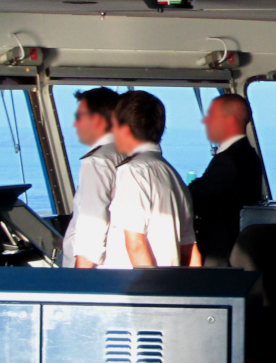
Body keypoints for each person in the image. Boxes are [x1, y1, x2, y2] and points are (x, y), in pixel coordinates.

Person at [102, 90, 196, 268]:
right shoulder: (173, 175)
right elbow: (189, 249)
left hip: (136, 288)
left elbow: (135, 243)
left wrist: (149, 292)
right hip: (169, 284)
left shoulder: (133, 172)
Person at [188, 93, 266, 267]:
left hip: (220, 253)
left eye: (212, 116)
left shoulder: (228, 160)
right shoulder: (249, 155)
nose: (205, 121)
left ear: (229, 121)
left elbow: (196, 196)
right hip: (235, 248)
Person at [61, 87, 124, 269]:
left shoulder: (98, 161)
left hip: (94, 273)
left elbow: (93, 223)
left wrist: (81, 279)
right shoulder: (127, 153)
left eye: (80, 117)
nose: (76, 124)